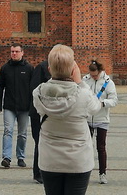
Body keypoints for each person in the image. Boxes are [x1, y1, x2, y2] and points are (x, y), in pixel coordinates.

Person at [33, 43, 102, 195]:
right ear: (72, 70)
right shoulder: (83, 95)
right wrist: (79, 82)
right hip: (78, 160)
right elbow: (95, 107)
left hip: (49, 160)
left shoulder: (38, 93)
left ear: (50, 69)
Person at [0, 42, 34, 168]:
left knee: (22, 133)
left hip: (24, 107)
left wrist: (33, 106)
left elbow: (33, 88)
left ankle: (21, 156)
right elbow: (0, 86)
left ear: (22, 53)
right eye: (12, 51)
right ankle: (6, 157)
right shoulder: (5, 68)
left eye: (17, 51)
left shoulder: (29, 68)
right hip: (9, 106)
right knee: (8, 131)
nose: (14, 53)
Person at [83, 59, 119, 185]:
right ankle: (84, 172)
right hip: (87, 118)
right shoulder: (85, 80)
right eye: (91, 75)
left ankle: (102, 173)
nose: (93, 77)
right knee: (85, 147)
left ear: (100, 71)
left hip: (102, 119)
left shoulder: (108, 82)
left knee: (101, 147)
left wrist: (102, 103)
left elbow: (114, 100)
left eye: (95, 75)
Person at [30, 53, 52, 184]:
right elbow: (34, 89)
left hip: (49, 112)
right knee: (39, 142)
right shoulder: (42, 67)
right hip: (38, 112)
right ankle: (37, 173)